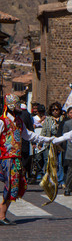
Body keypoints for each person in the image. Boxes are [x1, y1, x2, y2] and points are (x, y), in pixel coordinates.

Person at [0, 94, 55, 225]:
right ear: (11, 105)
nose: (20, 107)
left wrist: (48, 139)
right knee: (11, 186)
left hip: (16, 158)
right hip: (7, 159)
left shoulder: (18, 122)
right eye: (18, 105)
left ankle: (2, 214)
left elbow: (29, 135)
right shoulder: (2, 121)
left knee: (17, 186)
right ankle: (1, 215)